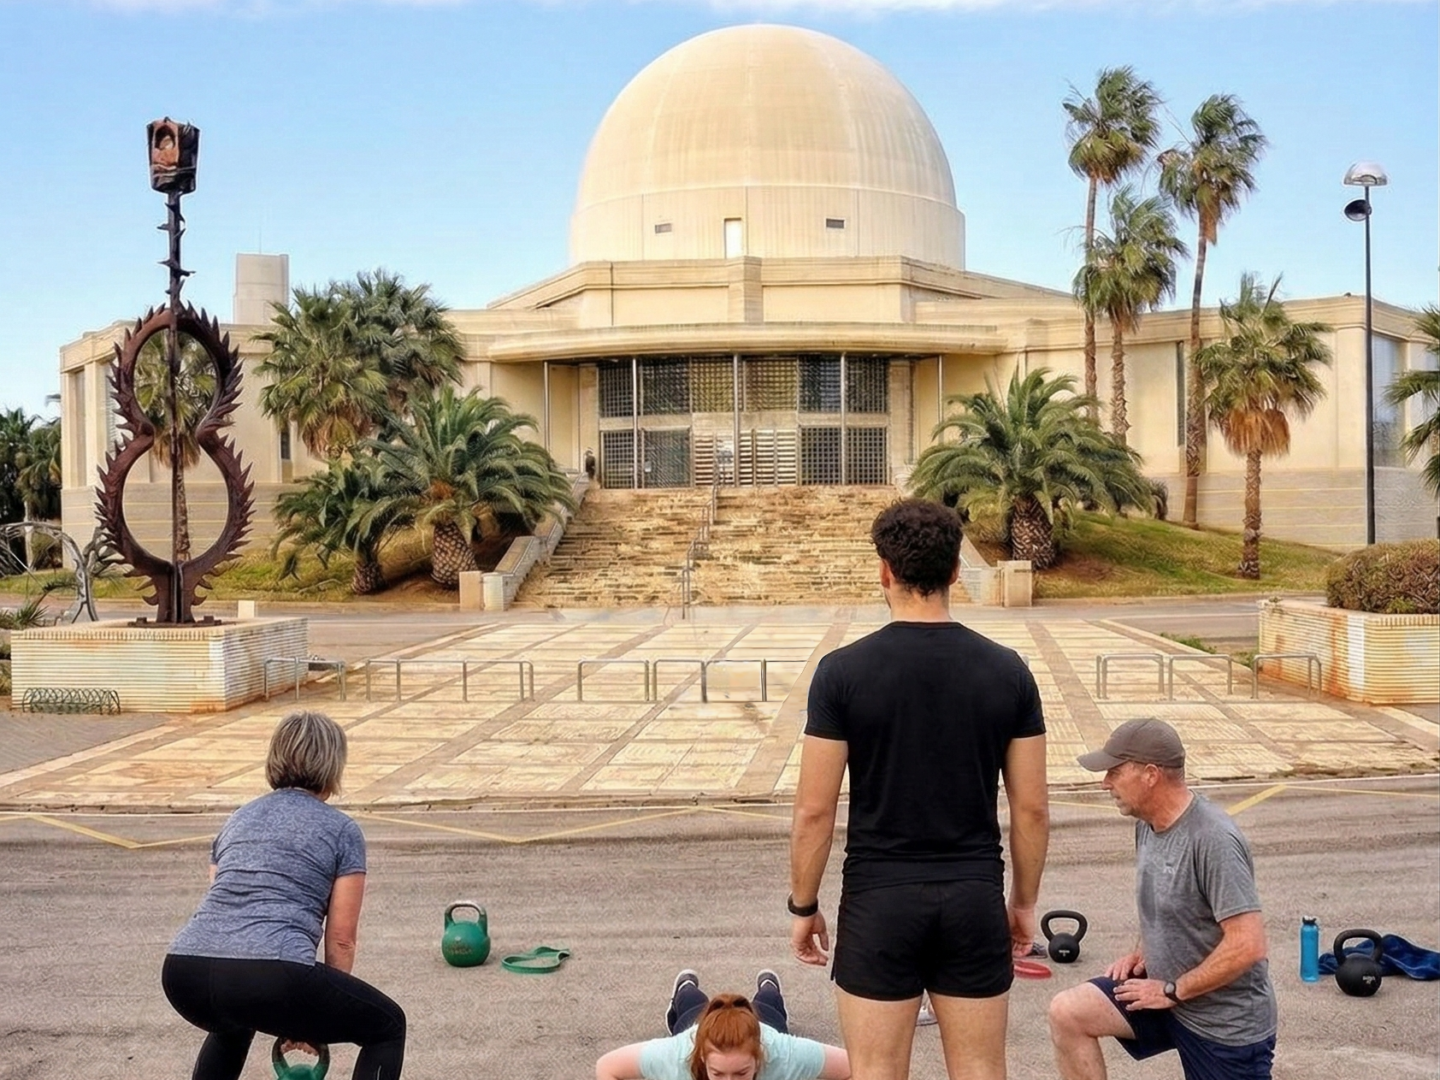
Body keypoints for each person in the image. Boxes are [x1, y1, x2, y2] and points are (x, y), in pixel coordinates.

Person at [788, 498, 1050, 1080]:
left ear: (884, 571)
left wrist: (803, 905)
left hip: (879, 901)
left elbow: (813, 811)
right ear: (957, 570)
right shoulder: (1008, 671)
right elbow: (1030, 809)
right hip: (973, 896)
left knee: (877, 1070)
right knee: (981, 1068)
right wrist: (1023, 905)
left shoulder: (841, 673)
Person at [161, 710, 406, 1080]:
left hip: (184, 972)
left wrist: (299, 1009)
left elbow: (222, 898)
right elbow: (341, 939)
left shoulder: (239, 818)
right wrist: (312, 1016)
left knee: (233, 1022)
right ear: (333, 765)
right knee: (387, 1026)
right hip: (270, 974)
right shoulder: (341, 830)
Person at [1048, 718, 1276, 1080]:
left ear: (1150, 774)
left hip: (1223, 1025)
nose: (1105, 782)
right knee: (1068, 1012)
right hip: (1164, 997)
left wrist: (1174, 990)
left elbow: (1248, 944)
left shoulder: (1212, 838)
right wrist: (1143, 952)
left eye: (1114, 772)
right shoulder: (1147, 824)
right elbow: (1162, 902)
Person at [596, 969, 851, 1080]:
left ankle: (769, 986)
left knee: (769, 1006)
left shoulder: (783, 1054)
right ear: (703, 1059)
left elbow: (854, 1068)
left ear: (759, 1059)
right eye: (717, 1074)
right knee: (692, 1005)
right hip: (696, 1022)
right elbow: (607, 1067)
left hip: (765, 1024)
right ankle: (685, 987)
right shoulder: (676, 1057)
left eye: (741, 1074)